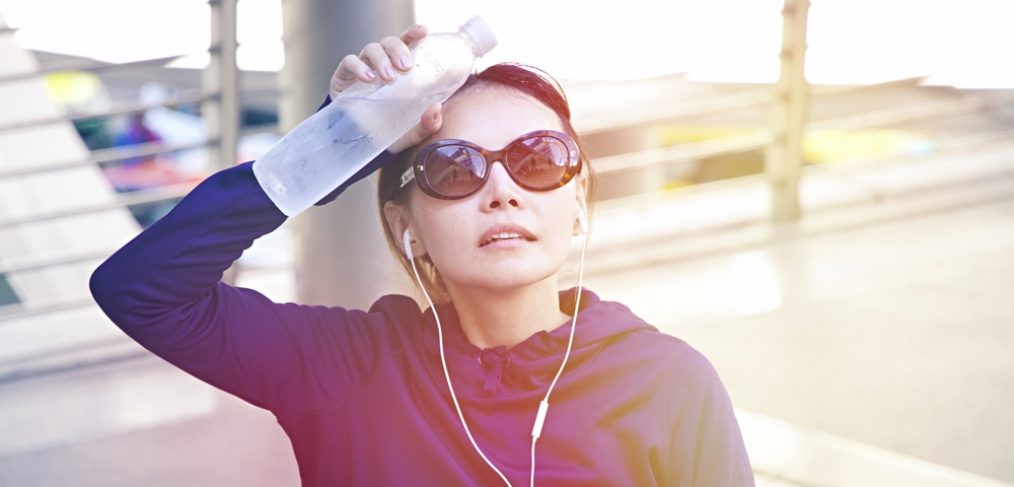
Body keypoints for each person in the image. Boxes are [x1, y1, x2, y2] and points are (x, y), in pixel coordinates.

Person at [90, 23, 754, 486]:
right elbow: (141, 288)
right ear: (403, 220)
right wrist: (340, 138)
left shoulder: (668, 381)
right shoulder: (343, 368)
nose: (501, 190)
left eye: (539, 161)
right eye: (456, 168)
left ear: (578, 201)